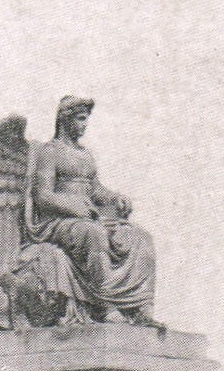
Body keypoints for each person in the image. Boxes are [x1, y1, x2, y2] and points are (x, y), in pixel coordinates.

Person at [28, 96, 159, 326]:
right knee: (94, 235)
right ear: (64, 120)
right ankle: (105, 306)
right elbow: (43, 196)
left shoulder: (86, 155)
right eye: (80, 119)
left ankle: (140, 307)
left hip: (89, 218)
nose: (85, 124)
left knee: (139, 237)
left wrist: (115, 198)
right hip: (58, 222)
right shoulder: (50, 152)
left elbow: (96, 190)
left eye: (86, 119)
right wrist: (73, 206)